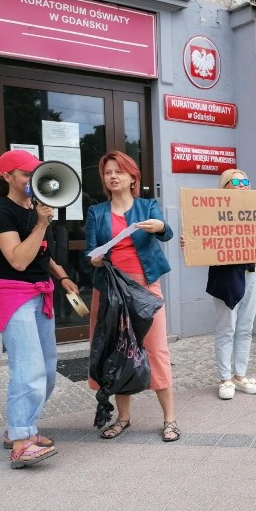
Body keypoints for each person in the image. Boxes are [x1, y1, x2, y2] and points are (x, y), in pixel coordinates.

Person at [0, 150, 78, 468]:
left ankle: (20, 428)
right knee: (28, 371)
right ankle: (22, 442)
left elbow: (40, 254)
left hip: (41, 295)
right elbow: (18, 259)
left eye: (35, 174)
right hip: (13, 295)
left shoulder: (34, 209)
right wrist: (41, 223)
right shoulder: (1, 213)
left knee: (48, 372)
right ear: (7, 176)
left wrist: (63, 276)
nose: (32, 181)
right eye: (26, 175)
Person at [85, 151, 179, 441]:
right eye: (108, 172)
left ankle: (170, 419)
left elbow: (167, 234)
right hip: (111, 290)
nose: (113, 176)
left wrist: (160, 226)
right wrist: (95, 259)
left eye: (119, 172)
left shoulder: (147, 205)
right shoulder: (96, 212)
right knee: (117, 352)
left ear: (132, 177)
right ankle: (124, 417)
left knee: (156, 350)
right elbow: (89, 252)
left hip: (145, 289)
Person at [180, 169, 256, 400]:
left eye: (246, 180)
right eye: (235, 180)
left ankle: (240, 375)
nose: (242, 184)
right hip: (226, 274)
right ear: (224, 186)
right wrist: (191, 241)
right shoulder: (211, 212)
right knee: (227, 327)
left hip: (253, 269)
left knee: (245, 327)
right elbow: (199, 235)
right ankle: (225, 378)